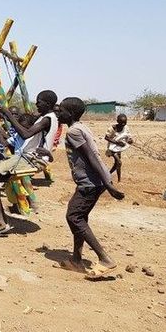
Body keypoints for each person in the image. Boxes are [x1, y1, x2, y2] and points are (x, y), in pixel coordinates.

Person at [54, 97, 124, 279]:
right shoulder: (81, 127)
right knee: (79, 217)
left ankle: (105, 259)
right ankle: (76, 260)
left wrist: (109, 185)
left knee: (73, 217)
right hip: (94, 181)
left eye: (61, 110)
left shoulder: (73, 132)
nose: (58, 112)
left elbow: (92, 158)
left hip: (90, 183)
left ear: (69, 113)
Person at [0, 91, 59, 237]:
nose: (36, 103)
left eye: (39, 101)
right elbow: (22, 119)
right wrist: (0, 114)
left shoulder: (48, 119)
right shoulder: (43, 117)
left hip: (31, 159)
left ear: (48, 103)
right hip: (25, 157)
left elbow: (26, 133)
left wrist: (7, 113)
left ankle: (0, 222)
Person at [104, 113, 133, 182]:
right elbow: (106, 137)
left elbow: (128, 137)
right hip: (112, 148)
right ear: (117, 121)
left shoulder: (126, 127)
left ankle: (112, 177)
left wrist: (130, 141)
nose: (123, 124)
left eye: (125, 122)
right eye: (121, 122)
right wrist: (116, 142)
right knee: (119, 162)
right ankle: (110, 176)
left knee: (117, 164)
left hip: (119, 147)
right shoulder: (112, 128)